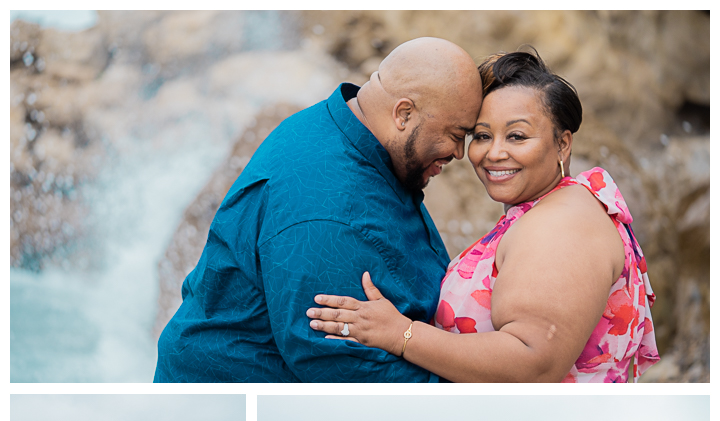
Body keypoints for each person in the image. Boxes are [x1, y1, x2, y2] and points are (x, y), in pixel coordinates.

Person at [307, 49, 660, 383]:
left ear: (563, 144)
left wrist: (401, 334)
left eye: (517, 136)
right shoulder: (550, 205)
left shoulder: (562, 224)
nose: (494, 153)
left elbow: (534, 363)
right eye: (482, 135)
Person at [154, 37, 483, 382]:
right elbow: (346, 371)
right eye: (455, 134)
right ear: (403, 114)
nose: (459, 152)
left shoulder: (348, 127)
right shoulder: (330, 213)